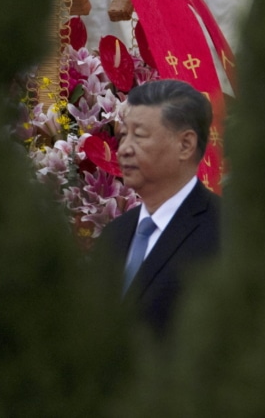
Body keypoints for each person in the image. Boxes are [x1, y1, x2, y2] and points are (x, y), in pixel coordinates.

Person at [94, 80, 222, 337]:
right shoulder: (115, 234)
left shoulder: (226, 231)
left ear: (185, 145)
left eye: (139, 136)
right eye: (123, 135)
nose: (124, 149)